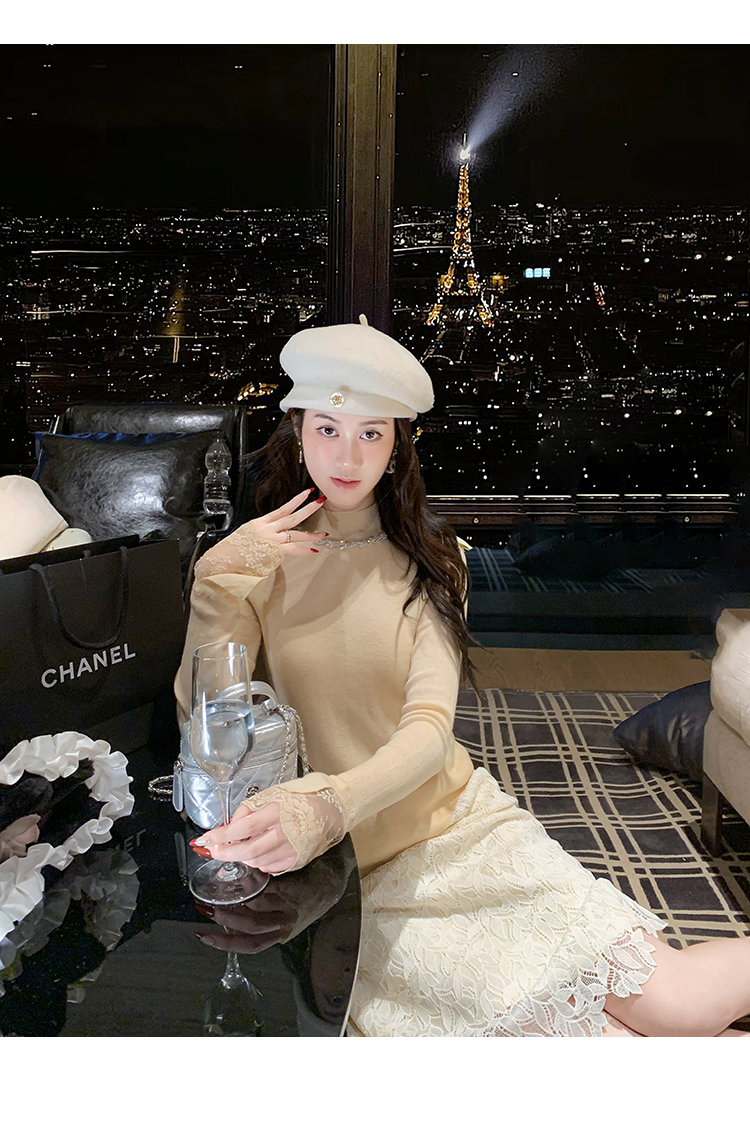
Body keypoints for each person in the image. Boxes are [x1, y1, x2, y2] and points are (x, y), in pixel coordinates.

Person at [175, 315, 750, 1038]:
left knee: (676, 1004)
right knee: (596, 1046)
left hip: (447, 825)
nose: (348, 456)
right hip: (344, 871)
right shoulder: (257, 557)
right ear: (297, 431)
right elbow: (207, 725)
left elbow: (429, 730)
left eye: (371, 433)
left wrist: (333, 803)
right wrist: (215, 585)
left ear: (397, 443)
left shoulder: (436, 559)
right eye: (327, 429)